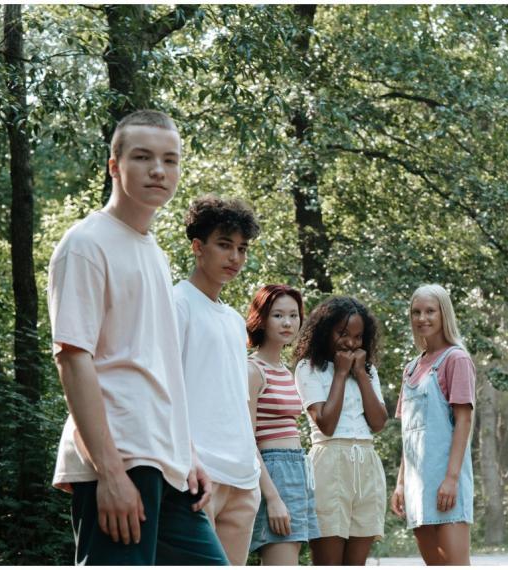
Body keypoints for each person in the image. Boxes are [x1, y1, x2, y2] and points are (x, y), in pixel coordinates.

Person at [47, 110, 227, 565]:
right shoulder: (86, 244)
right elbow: (72, 359)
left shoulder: (154, 253)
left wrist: (185, 452)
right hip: (121, 457)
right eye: (143, 157)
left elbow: (159, 366)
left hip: (166, 464)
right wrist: (109, 472)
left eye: (170, 159)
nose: (158, 170)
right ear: (114, 164)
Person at [174, 194, 263, 565]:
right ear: (198, 247)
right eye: (224, 245)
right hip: (198, 476)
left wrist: (255, 474)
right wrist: (186, 458)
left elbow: (237, 400)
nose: (235, 258)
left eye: (242, 249)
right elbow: (166, 391)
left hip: (244, 478)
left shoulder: (232, 319)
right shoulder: (176, 303)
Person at [293, 296, 389, 565]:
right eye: (343, 334)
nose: (350, 343)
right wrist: (340, 374)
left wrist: (359, 374)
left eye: (358, 337)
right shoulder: (309, 367)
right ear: (326, 331)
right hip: (329, 462)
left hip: (366, 463)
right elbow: (326, 423)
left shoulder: (367, 371)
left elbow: (379, 423)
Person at [390, 284, 475, 565]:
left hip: (445, 480)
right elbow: (409, 435)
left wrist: (451, 480)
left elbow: (464, 421)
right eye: (416, 312)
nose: (422, 318)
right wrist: (401, 484)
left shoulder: (456, 359)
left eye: (430, 311)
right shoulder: (411, 368)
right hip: (417, 485)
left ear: (444, 314)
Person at [245, 284, 320, 565]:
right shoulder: (253, 370)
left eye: (293, 315)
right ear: (261, 319)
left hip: (296, 469)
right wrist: (273, 497)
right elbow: (247, 440)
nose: (287, 322)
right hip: (272, 471)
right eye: (278, 315)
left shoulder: (285, 371)